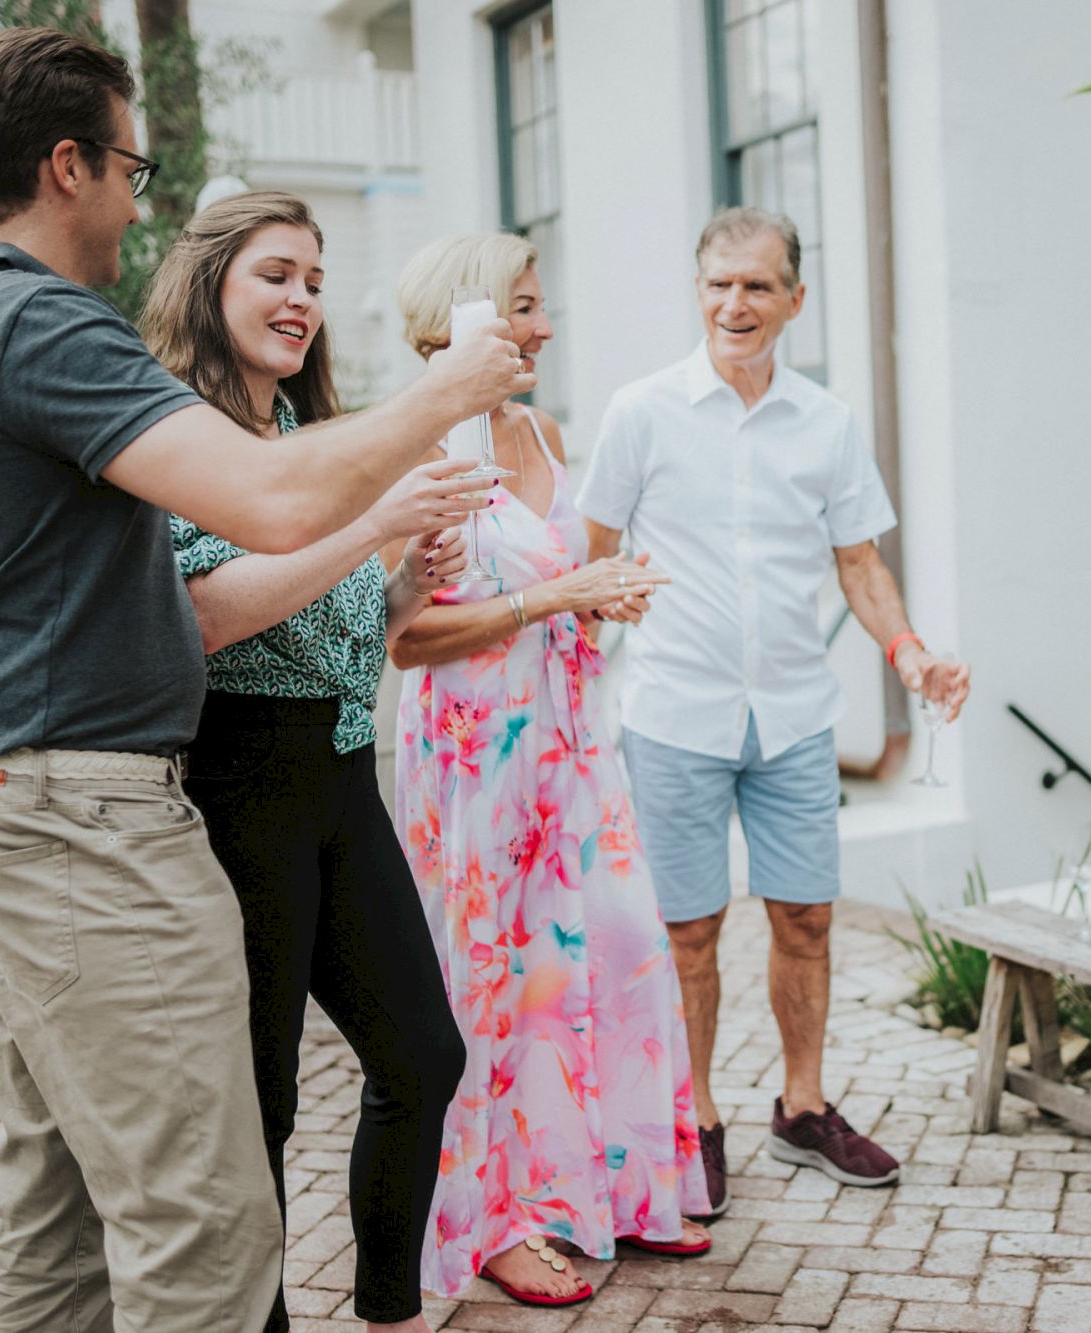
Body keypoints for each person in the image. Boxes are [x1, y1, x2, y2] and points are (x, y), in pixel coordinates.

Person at [0, 28, 524, 1332]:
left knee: (60, 1210)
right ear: (67, 165)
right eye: (130, 163)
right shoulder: (38, 323)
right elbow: (270, 505)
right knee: (211, 1222)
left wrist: (390, 563)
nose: (140, 196)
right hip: (84, 814)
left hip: (20, 790)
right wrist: (450, 385)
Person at [576, 207, 971, 1216]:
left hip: (793, 715)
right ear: (696, 291)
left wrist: (909, 650)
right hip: (672, 713)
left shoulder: (826, 422)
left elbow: (858, 563)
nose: (733, 304)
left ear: (793, 299)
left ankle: (800, 1108)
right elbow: (590, 554)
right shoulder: (642, 410)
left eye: (756, 285)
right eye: (717, 284)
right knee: (690, 932)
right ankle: (692, 1117)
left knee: (804, 918)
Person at [137, 190, 471, 1333]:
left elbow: (330, 637)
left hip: (342, 774)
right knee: (258, 1105)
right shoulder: (180, 434)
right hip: (242, 787)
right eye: (275, 274)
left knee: (424, 1056)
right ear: (209, 283)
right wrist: (373, 521)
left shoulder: (301, 441)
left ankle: (389, 1310)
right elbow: (210, 619)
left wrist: (401, 593)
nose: (301, 301)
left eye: (316, 283)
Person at [387, 233, 710, 1307]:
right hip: (475, 760)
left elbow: (556, 578)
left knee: (604, 952)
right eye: (524, 306)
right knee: (493, 983)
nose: (544, 326)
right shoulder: (423, 451)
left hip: (571, 744)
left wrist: (602, 591)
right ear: (471, 318)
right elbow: (409, 639)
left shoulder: (539, 429)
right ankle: (494, 1220)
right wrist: (557, 598)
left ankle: (603, 1186)